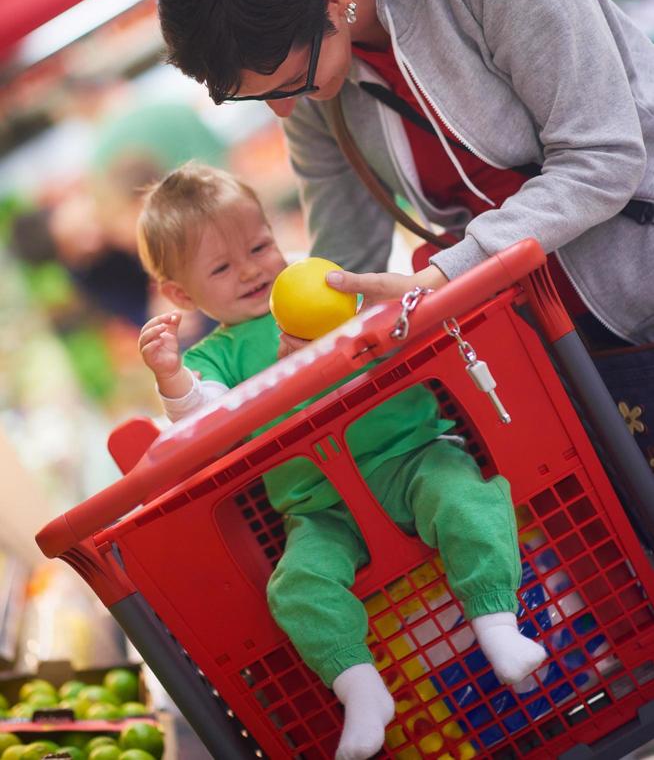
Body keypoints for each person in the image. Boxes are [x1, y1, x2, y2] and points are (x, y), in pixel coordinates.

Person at [154, 0, 654, 456]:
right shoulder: (309, 57)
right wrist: (305, 340)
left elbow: (602, 154)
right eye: (262, 99)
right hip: (559, 348)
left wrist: (440, 277)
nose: (288, 114)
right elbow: (344, 257)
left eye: (293, 85)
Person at [136, 161, 546, 760]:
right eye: (222, 267)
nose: (251, 269)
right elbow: (204, 418)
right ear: (179, 294)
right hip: (319, 507)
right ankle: (359, 687)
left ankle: (498, 624)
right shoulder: (218, 355)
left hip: (413, 454)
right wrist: (172, 376)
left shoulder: (323, 286)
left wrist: (351, 325)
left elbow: (392, 320)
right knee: (295, 587)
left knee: (469, 500)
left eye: (259, 245)